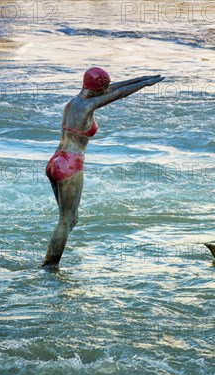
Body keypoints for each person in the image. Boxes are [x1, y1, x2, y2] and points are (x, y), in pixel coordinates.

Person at [40, 67, 164, 270]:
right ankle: (49, 267)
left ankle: (48, 261)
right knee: (66, 220)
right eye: (103, 88)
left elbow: (113, 89)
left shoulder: (74, 102)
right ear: (97, 89)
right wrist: (145, 84)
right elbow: (117, 94)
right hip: (70, 164)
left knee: (70, 220)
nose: (106, 91)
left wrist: (144, 77)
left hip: (55, 161)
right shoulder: (87, 106)